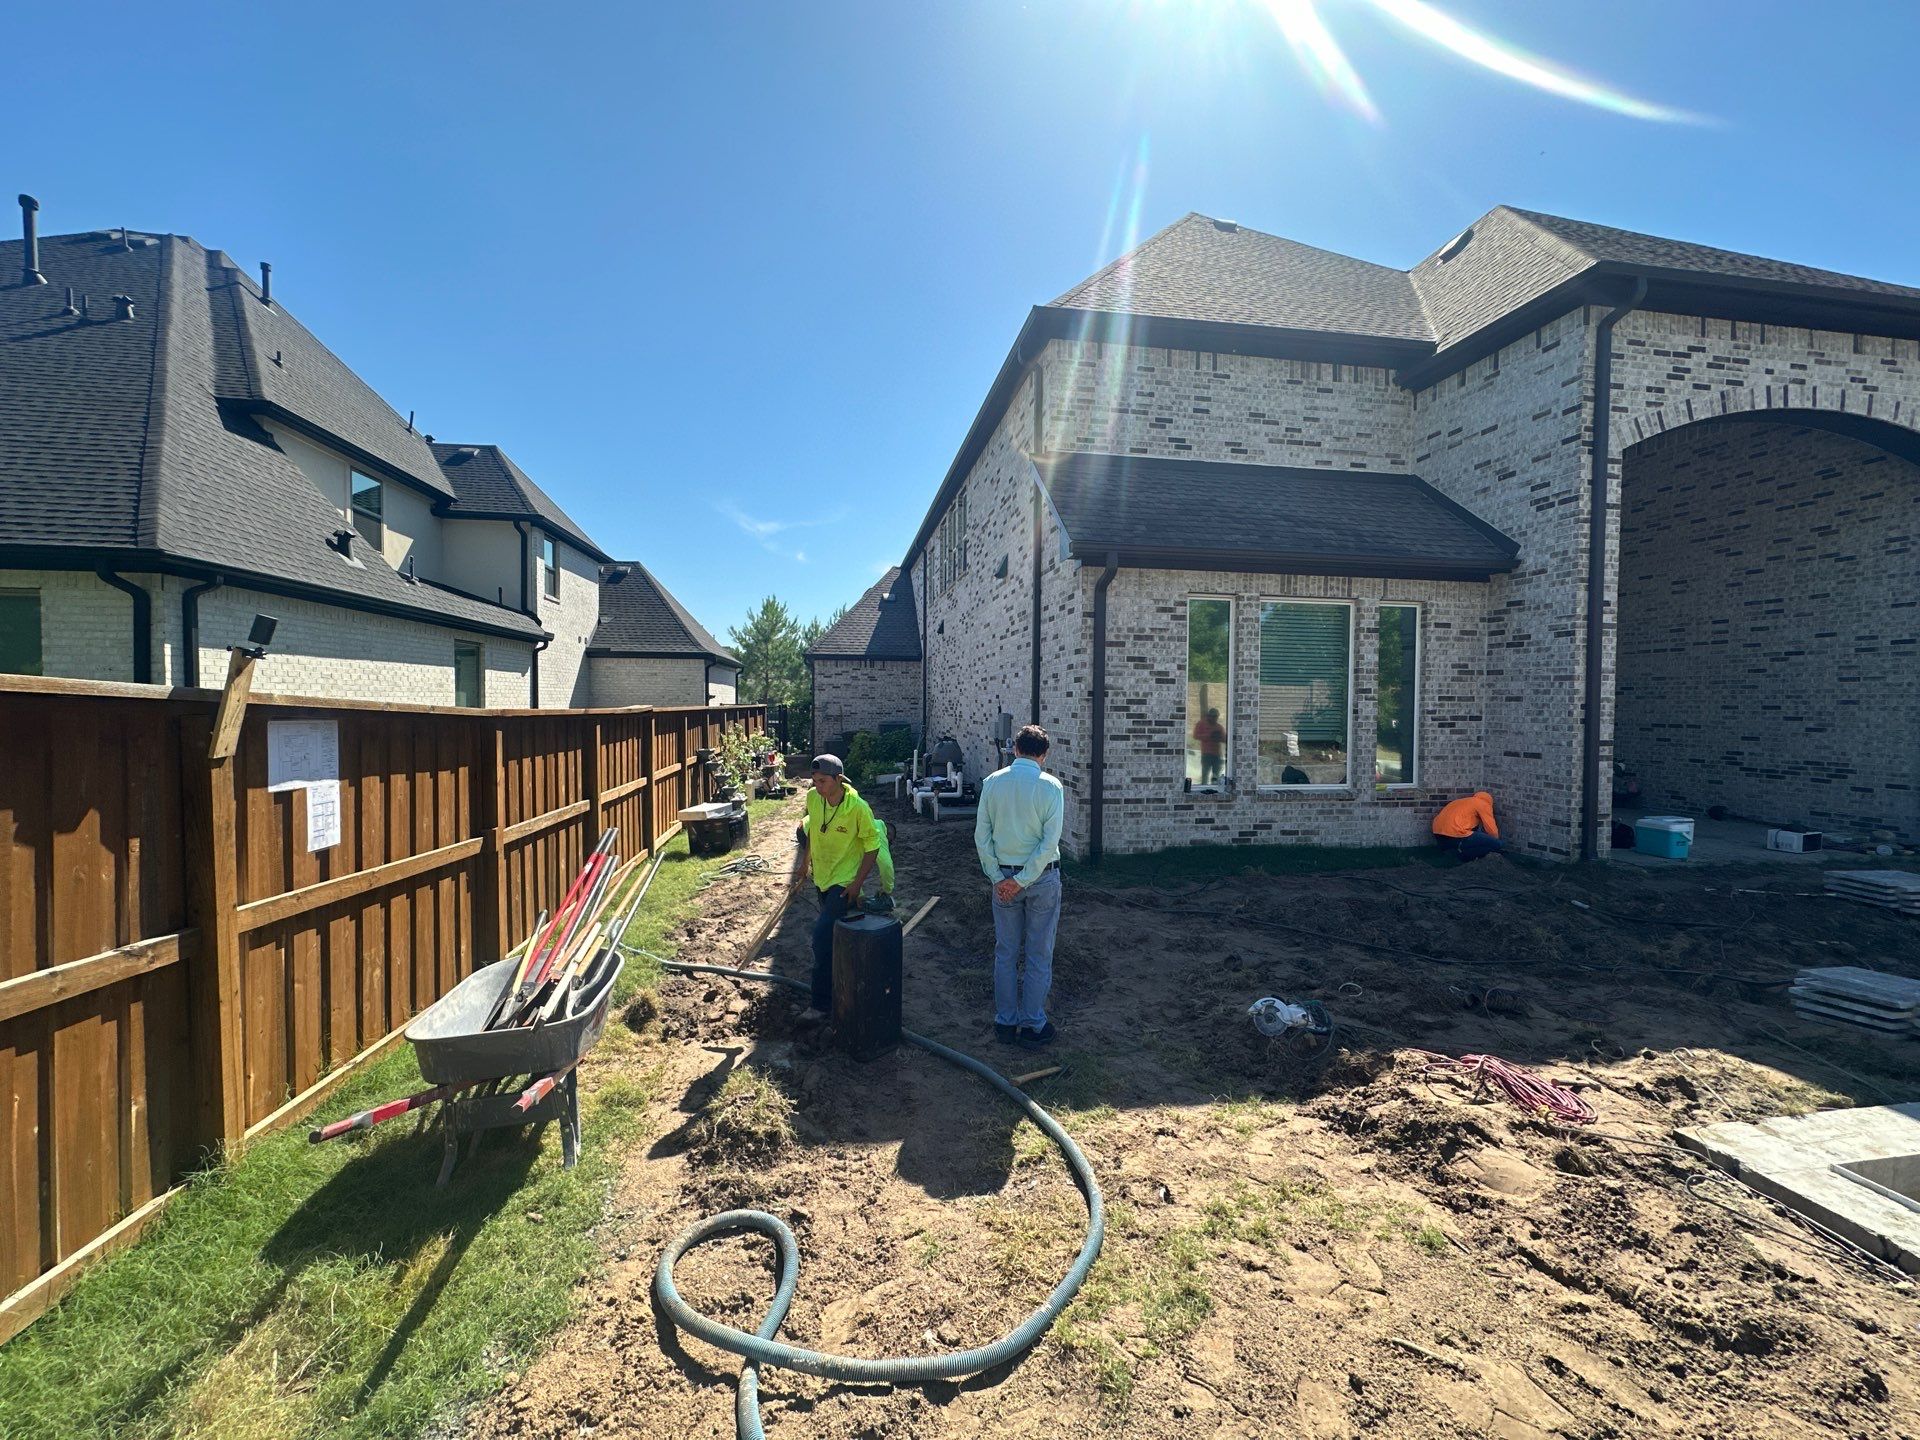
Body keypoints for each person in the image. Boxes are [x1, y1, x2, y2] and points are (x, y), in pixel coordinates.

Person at [975, 724, 1065, 1047]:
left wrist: (1000, 879)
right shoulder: (1051, 787)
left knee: (1006, 951)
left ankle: (1005, 1022)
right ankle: (1032, 1024)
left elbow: (981, 837)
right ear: (1044, 754)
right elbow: (1048, 842)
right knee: (1039, 953)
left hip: (1003, 880)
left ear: (1015, 750)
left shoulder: (992, 784)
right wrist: (1023, 879)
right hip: (1041, 879)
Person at [799, 754, 881, 1016]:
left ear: (838, 779)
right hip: (822, 878)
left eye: (822, 781)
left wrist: (857, 886)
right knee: (835, 939)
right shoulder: (813, 798)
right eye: (814, 781)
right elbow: (812, 830)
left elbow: (872, 847)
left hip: (844, 884)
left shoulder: (858, 808)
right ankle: (843, 988)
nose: (817, 787)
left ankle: (819, 1005)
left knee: (821, 939)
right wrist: (805, 863)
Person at [1432, 790, 1504, 861]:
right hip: (1456, 834)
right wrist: (1495, 841)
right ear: (1489, 802)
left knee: (1480, 843)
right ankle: (1461, 855)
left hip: (1438, 834)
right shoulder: (1483, 804)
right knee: (1498, 844)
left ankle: (1454, 851)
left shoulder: (1463, 801)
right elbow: (1491, 829)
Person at [1192, 707, 1226, 786]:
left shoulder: (1219, 727)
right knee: (1205, 775)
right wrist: (1209, 735)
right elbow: (1195, 735)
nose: (1214, 718)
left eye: (1216, 717)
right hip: (1206, 754)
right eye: (1213, 716)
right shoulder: (1201, 724)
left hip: (1216, 755)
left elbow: (1225, 739)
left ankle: (1214, 790)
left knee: (1215, 776)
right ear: (1209, 716)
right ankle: (1203, 789)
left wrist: (1219, 738)